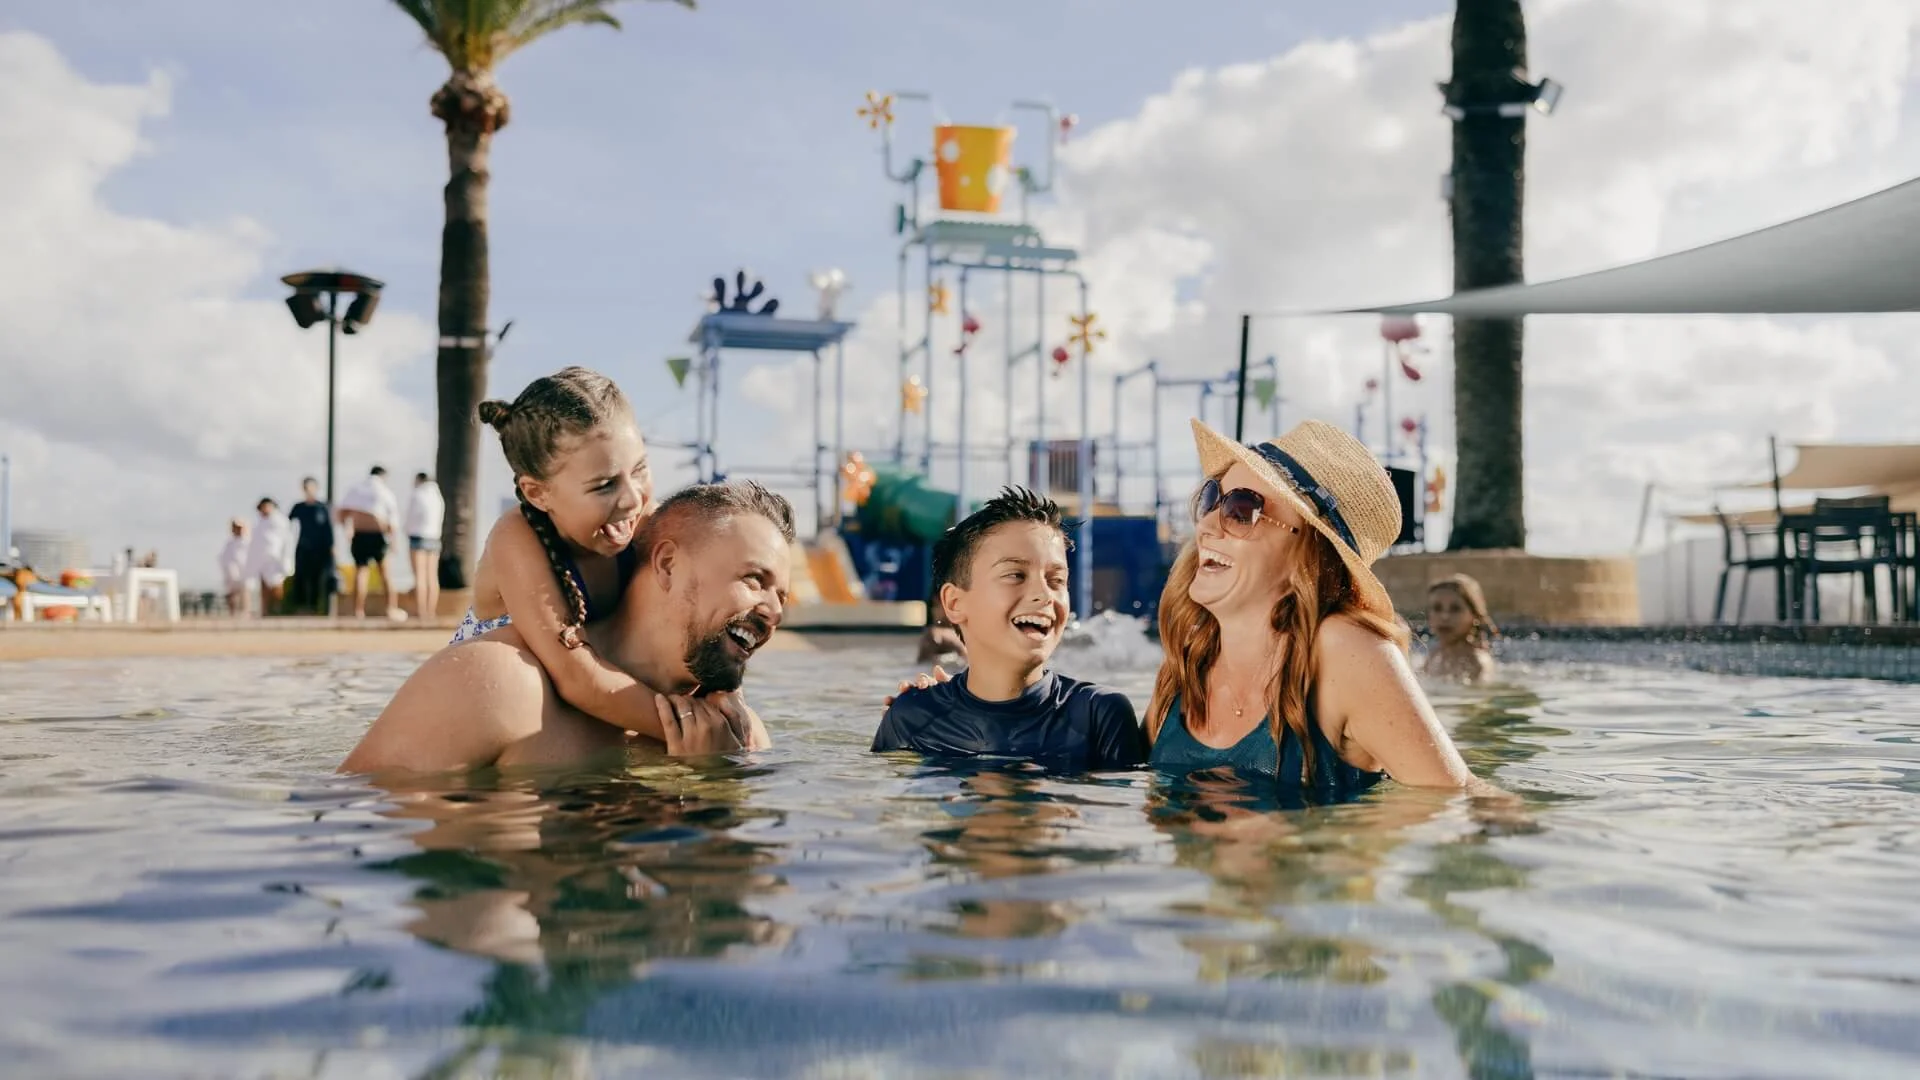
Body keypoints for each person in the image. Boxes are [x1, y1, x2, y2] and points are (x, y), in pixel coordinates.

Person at [341, 480, 795, 775]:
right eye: (755, 580)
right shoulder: (501, 686)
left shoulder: (742, 735)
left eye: (782, 597)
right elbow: (352, 833)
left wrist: (714, 781)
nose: (772, 611)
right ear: (668, 564)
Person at [1146, 419, 1491, 804]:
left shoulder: (1346, 651)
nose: (1207, 525)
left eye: (1241, 509)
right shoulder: (1190, 655)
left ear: (1311, 555)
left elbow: (1457, 801)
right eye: (1212, 499)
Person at [452, 367, 668, 740]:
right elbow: (576, 677)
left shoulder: (645, 525)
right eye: (604, 485)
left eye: (640, 470)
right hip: (481, 721)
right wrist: (687, 726)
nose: (633, 497)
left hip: (582, 709)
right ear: (538, 493)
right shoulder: (516, 538)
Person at [872, 486, 1147, 772]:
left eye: (1056, 580)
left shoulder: (1098, 715)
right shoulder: (914, 717)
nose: (1044, 594)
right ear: (954, 603)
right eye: (1015, 575)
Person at [337, 466, 400, 618]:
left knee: (361, 572)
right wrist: (393, 541)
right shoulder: (384, 491)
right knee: (385, 574)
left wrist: (347, 527)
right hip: (377, 535)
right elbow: (392, 521)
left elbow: (341, 512)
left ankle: (358, 611)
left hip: (360, 535)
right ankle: (391, 608)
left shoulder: (356, 489)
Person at [1423, 573, 1498, 684]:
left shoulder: (1478, 663)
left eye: (1455, 609)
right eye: (1437, 608)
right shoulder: (1433, 656)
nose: (1445, 616)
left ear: (1474, 615)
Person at [287, 477, 335, 615]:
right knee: (301, 576)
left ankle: (314, 607)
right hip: (303, 547)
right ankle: (301, 606)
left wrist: (331, 546)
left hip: (320, 549)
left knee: (317, 578)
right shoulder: (298, 507)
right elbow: (288, 525)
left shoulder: (322, 507)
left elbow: (328, 528)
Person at [405, 471, 446, 621]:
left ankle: (421, 612)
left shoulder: (418, 495)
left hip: (418, 537)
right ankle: (431, 611)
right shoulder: (438, 497)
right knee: (432, 578)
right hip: (434, 538)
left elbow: (410, 518)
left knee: (420, 577)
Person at [244, 497, 292, 615]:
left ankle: (279, 610)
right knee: (264, 588)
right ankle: (266, 612)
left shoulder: (280, 521)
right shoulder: (258, 524)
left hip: (276, 560)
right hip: (262, 561)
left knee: (277, 586)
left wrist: (285, 559)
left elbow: (287, 541)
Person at [217, 518, 249, 617]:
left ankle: (245, 612)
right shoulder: (229, 544)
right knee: (232, 593)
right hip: (231, 573)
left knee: (244, 591)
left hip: (244, 571)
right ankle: (233, 613)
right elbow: (223, 558)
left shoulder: (248, 542)